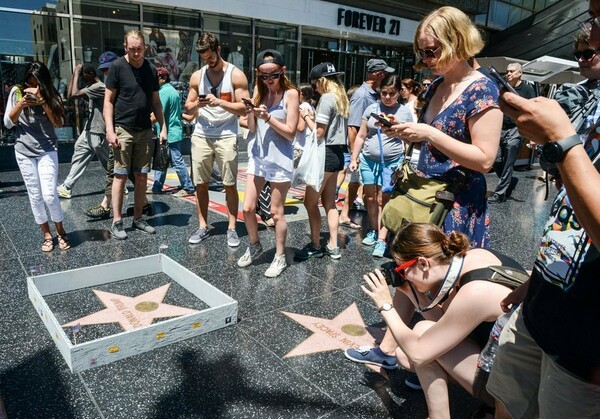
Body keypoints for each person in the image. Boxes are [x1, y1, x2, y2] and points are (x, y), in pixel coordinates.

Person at [344, 4, 502, 384]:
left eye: (432, 51)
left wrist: (430, 134)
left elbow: (485, 159)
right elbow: (433, 137)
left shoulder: (482, 89)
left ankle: (433, 361)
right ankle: (388, 351)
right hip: (423, 195)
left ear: (458, 43)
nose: (425, 59)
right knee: (411, 272)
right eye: (422, 52)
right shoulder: (437, 83)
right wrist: (405, 130)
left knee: (442, 283)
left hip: (453, 202)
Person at [485, 1, 600, 416]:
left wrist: (562, 141)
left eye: (598, 14)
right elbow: (570, 213)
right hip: (544, 300)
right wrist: (536, 282)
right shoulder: (593, 95)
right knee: (506, 404)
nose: (589, 27)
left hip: (586, 342)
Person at [352, 223, 524, 418]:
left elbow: (419, 354)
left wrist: (386, 306)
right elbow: (444, 321)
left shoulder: (476, 291)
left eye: (402, 270)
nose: (402, 276)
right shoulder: (471, 258)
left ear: (424, 263)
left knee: (416, 347)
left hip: (517, 395)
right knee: (414, 340)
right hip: (506, 365)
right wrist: (413, 294)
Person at [236, 50, 299, 277]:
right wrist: (252, 113)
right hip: (258, 157)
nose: (267, 80)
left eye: (272, 75)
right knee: (248, 208)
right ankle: (254, 245)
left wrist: (268, 118)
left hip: (280, 159)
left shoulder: (291, 94)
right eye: (262, 76)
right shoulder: (259, 93)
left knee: (275, 212)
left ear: (282, 71)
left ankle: (280, 256)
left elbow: (291, 132)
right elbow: (252, 129)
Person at [185, 32, 250, 247]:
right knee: (200, 184)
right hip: (202, 134)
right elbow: (188, 105)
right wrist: (198, 105)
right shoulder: (197, 76)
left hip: (226, 135)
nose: (208, 62)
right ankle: (203, 226)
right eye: (204, 59)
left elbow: (244, 108)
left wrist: (220, 103)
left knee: (229, 184)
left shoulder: (236, 75)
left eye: (210, 57)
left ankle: (232, 228)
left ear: (218, 50)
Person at [104, 29, 167, 240]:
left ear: (144, 47)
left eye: (139, 49)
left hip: (145, 130)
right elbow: (108, 101)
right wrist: (110, 130)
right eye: (132, 49)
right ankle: (117, 221)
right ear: (125, 47)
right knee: (120, 176)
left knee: (142, 176)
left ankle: (138, 218)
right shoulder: (117, 67)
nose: (136, 53)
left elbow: (156, 102)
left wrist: (163, 127)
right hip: (123, 129)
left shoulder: (150, 69)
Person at [3, 61, 70, 252]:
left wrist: (43, 101)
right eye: (29, 83)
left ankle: (61, 231)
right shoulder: (17, 92)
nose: (31, 87)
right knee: (35, 196)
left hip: (47, 149)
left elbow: (58, 123)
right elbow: (8, 123)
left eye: (36, 83)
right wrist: (22, 104)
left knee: (49, 195)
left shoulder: (51, 94)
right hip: (23, 151)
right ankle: (47, 235)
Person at [349, 74, 412, 257]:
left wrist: (396, 127)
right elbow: (361, 135)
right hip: (368, 160)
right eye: (384, 93)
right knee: (369, 198)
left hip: (392, 161)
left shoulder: (404, 112)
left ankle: (382, 239)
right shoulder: (371, 108)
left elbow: (410, 138)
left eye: (391, 93)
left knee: (384, 199)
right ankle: (374, 230)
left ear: (399, 93)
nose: (387, 97)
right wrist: (354, 158)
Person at [296, 62, 349, 260]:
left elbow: (319, 133)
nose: (315, 88)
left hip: (325, 154)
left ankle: (316, 244)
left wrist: (307, 116)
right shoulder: (341, 98)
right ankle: (334, 245)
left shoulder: (327, 98)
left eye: (315, 83)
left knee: (309, 202)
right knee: (330, 203)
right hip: (337, 154)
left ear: (322, 81)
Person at [339, 59, 394, 230]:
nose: (386, 77)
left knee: (356, 183)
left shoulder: (373, 94)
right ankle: (344, 215)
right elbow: (353, 128)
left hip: (369, 149)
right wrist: (356, 155)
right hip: (363, 151)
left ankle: (344, 214)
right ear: (378, 74)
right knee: (357, 182)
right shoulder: (362, 95)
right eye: (384, 74)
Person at [57, 53, 118, 199]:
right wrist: (74, 75)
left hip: (98, 132)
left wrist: (76, 73)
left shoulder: (99, 87)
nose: (82, 78)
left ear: (91, 74)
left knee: (108, 163)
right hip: (89, 130)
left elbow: (73, 94)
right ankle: (67, 186)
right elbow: (71, 94)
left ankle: (118, 185)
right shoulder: (93, 86)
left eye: (84, 75)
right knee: (79, 154)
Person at [488, 63, 535, 203]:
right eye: (507, 71)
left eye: (512, 71)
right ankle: (510, 180)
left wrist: (532, 136)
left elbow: (531, 111)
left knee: (509, 160)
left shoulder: (527, 89)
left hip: (516, 129)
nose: (508, 74)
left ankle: (500, 193)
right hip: (500, 128)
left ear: (520, 73)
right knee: (495, 160)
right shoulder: (503, 88)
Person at [147, 67, 195, 196]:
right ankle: (157, 186)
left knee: (176, 161)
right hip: (171, 130)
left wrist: (144, 126)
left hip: (170, 132)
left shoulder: (163, 92)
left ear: (163, 78)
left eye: (155, 78)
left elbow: (157, 113)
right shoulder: (170, 90)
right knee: (161, 158)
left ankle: (188, 187)